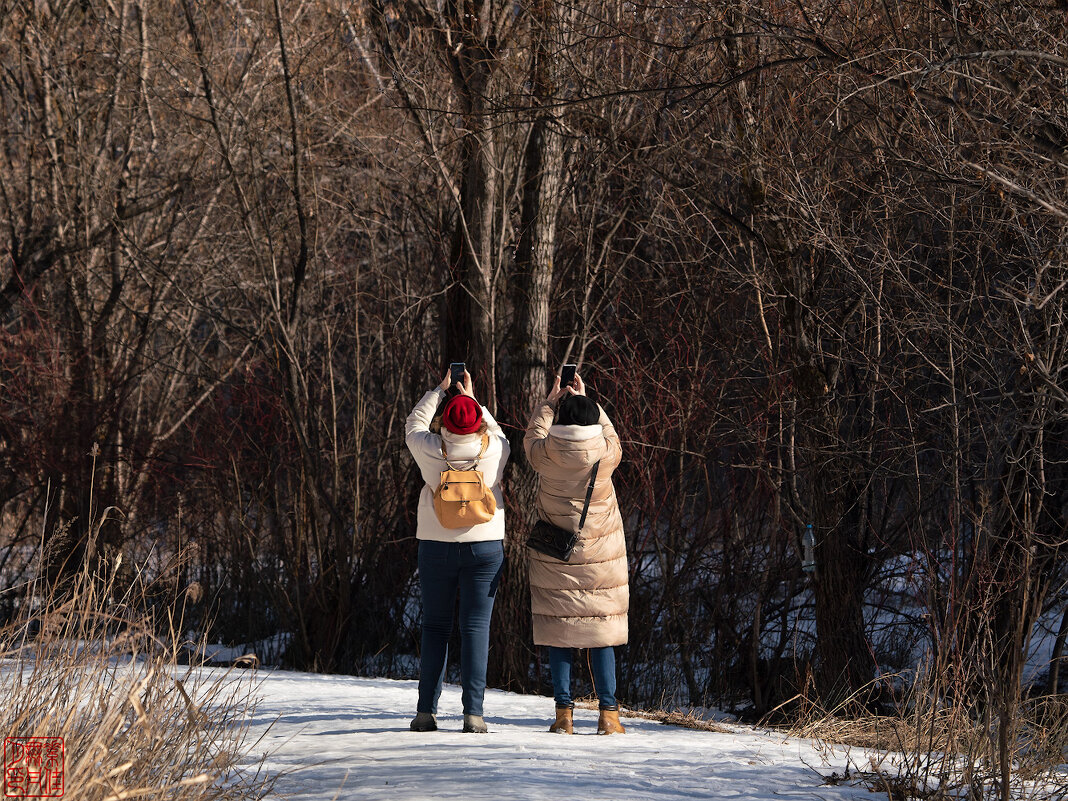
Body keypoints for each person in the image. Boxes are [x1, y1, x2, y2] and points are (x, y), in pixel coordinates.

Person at [404, 368, 509, 733]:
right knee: (475, 628)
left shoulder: (429, 448)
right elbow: (497, 431)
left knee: (434, 627)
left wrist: (439, 389)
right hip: (484, 546)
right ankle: (473, 715)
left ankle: (425, 713)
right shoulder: (493, 448)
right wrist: (474, 399)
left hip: (435, 545)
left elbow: (413, 423)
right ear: (478, 419)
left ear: (444, 420)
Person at [524, 371, 629, 735]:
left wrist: (550, 403)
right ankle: (609, 715)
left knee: (559, 632)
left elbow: (532, 436)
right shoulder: (606, 453)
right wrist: (592, 404)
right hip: (602, 558)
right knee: (601, 633)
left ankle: (564, 715)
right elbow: (613, 434)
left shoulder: (547, 454)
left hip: (557, 556)